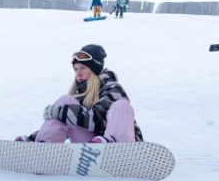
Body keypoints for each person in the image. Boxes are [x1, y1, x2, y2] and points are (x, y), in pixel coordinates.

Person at [15, 44, 143, 143]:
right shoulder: (80, 95)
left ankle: (115, 150)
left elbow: (98, 120)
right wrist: (34, 137)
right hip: (93, 151)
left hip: (124, 147)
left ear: (94, 70)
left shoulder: (112, 88)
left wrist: (63, 112)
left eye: (83, 68)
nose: (78, 73)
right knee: (65, 101)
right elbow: (62, 123)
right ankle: (41, 147)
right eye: (76, 69)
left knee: (121, 105)